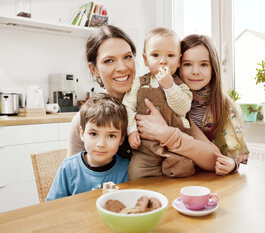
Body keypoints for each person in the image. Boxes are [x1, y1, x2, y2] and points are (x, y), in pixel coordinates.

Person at [67, 25, 220, 178]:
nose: (121, 67)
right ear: (93, 69)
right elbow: (72, 178)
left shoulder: (166, 99)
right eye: (108, 61)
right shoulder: (86, 120)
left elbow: (214, 159)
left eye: (127, 57)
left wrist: (166, 133)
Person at [123, 27, 194, 180]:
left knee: (184, 171)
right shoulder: (139, 84)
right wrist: (131, 130)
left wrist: (169, 86)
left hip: (176, 146)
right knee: (136, 175)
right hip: (145, 148)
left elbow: (183, 108)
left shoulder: (180, 85)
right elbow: (128, 107)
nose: (163, 60)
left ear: (179, 60)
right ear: (145, 59)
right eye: (155, 55)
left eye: (170, 55)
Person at [177, 34, 249, 174]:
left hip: (209, 177)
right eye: (187, 64)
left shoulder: (224, 105)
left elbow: (233, 157)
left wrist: (231, 165)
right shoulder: (167, 97)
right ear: (178, 66)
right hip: (175, 173)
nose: (195, 71)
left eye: (203, 64)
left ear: (213, 68)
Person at [46, 94, 129, 201]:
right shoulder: (68, 168)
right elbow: (52, 206)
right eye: (94, 134)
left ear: (121, 139)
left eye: (111, 136)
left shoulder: (127, 169)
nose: (101, 144)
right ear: (82, 133)